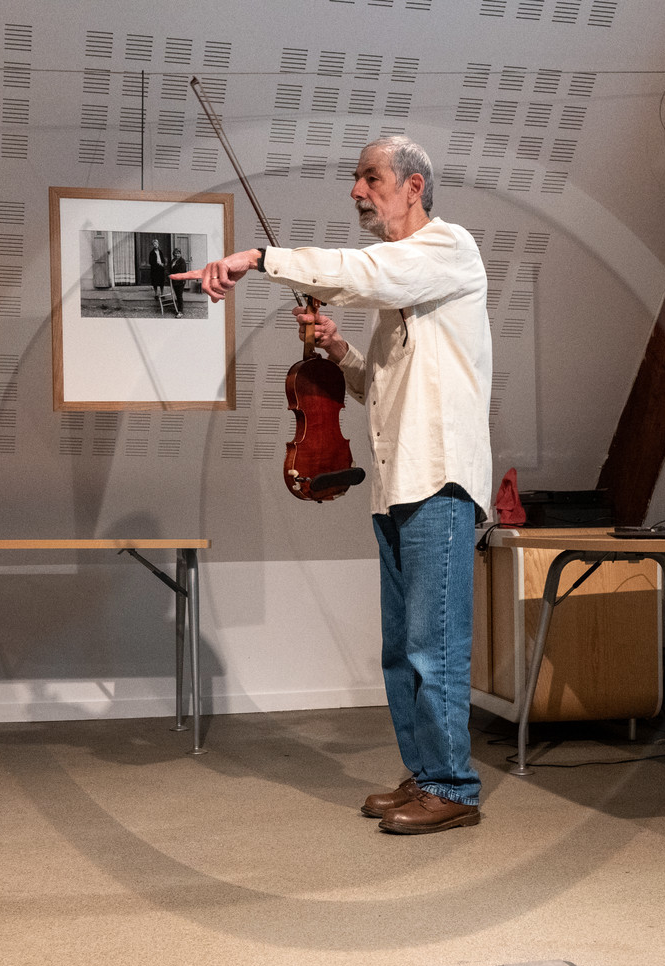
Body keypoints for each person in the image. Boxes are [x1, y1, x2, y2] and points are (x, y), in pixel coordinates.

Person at [174, 136, 492, 834]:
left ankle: (453, 787)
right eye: (356, 179)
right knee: (400, 649)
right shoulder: (403, 283)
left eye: (371, 178)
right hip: (399, 483)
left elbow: (364, 271)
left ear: (413, 186)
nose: (356, 191)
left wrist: (258, 258)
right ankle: (425, 773)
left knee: (434, 645)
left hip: (438, 481)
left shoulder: (447, 249)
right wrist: (340, 349)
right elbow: (379, 386)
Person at [148, 239, 169, 312]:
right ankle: (156, 294)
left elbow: (162, 259)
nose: (155, 245)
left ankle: (162, 294)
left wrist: (163, 263)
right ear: (153, 245)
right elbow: (150, 262)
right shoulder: (151, 253)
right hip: (155, 269)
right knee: (155, 282)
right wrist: (158, 264)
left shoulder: (160, 252)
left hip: (161, 269)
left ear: (158, 244)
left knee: (161, 281)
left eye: (156, 244)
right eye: (154, 244)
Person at [169, 249, 188, 317]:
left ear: (180, 254)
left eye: (178, 253)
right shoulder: (173, 261)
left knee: (179, 296)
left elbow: (181, 271)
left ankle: (180, 311)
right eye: (175, 253)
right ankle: (177, 308)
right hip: (174, 280)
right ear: (173, 254)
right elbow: (170, 269)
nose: (177, 255)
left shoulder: (182, 261)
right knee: (177, 295)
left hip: (180, 281)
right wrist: (169, 274)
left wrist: (173, 274)